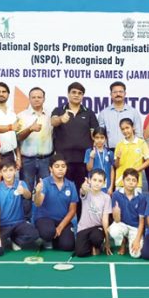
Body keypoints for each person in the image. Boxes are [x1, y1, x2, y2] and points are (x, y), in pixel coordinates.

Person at [51, 82, 98, 213]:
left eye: (80, 93)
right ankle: (63, 221)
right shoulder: (59, 110)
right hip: (63, 161)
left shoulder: (89, 113)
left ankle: (80, 222)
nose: (76, 95)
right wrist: (61, 119)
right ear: (68, 94)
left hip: (83, 161)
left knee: (81, 191)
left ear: (83, 96)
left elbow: (94, 134)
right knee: (63, 190)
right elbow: (53, 121)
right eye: (74, 92)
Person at [0, 159, 39, 256]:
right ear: (0, 172)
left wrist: (24, 191)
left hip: (18, 223)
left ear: (15, 170)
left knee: (34, 234)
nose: (8, 173)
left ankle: (16, 240)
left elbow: (28, 196)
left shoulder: (21, 184)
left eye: (10, 170)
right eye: (5, 171)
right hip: (2, 225)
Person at [17, 87, 53, 220]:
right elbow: (18, 137)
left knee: (45, 190)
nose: (36, 99)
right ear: (29, 98)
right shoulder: (21, 116)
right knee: (26, 191)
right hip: (27, 160)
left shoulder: (50, 116)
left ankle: (44, 219)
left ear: (44, 98)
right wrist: (30, 129)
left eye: (39, 97)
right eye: (33, 97)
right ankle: (25, 221)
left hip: (46, 159)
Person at [33, 154, 78, 251]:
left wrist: (60, 227)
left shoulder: (71, 185)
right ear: (51, 168)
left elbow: (72, 210)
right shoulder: (44, 183)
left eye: (63, 166)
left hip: (62, 220)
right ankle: (46, 237)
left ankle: (56, 238)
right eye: (57, 166)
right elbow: (38, 203)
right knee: (48, 232)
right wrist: (37, 192)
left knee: (68, 246)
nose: (60, 169)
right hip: (45, 219)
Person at [108, 168, 146, 257]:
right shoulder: (116, 195)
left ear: (137, 183)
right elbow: (117, 220)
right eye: (128, 180)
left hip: (135, 227)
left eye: (134, 180)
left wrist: (137, 240)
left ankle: (131, 239)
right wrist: (116, 214)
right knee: (114, 230)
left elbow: (141, 222)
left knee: (136, 255)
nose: (131, 182)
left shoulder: (141, 198)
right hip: (122, 224)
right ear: (123, 181)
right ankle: (123, 242)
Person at [75, 169, 113, 257]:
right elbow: (83, 190)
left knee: (97, 238)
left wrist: (107, 240)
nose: (97, 183)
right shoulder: (86, 193)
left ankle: (96, 245)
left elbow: (105, 219)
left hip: (97, 228)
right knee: (80, 253)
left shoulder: (106, 198)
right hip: (83, 228)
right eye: (94, 180)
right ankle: (90, 245)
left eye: (100, 181)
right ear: (89, 180)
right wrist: (83, 186)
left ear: (104, 183)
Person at [97, 81, 143, 149]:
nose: (118, 94)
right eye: (115, 92)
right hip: (109, 152)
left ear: (125, 93)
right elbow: (100, 135)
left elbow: (139, 135)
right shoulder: (104, 113)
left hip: (129, 150)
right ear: (111, 94)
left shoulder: (133, 112)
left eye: (121, 91)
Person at [0, 82, 21, 167]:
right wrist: (11, 127)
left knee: (10, 180)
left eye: (4, 91)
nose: (1, 94)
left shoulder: (12, 111)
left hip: (10, 155)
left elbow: (15, 135)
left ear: (8, 94)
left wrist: (18, 157)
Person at [114, 118, 149, 188]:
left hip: (135, 183)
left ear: (133, 127)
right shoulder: (119, 144)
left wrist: (137, 169)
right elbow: (116, 165)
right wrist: (118, 158)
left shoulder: (141, 143)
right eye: (122, 129)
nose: (125, 131)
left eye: (127, 128)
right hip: (120, 183)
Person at [84, 127, 114, 193]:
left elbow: (112, 170)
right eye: (97, 138)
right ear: (93, 138)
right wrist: (91, 157)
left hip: (107, 185)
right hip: (93, 185)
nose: (99, 140)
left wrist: (111, 186)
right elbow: (89, 169)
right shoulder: (89, 151)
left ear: (105, 139)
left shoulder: (109, 152)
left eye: (102, 137)